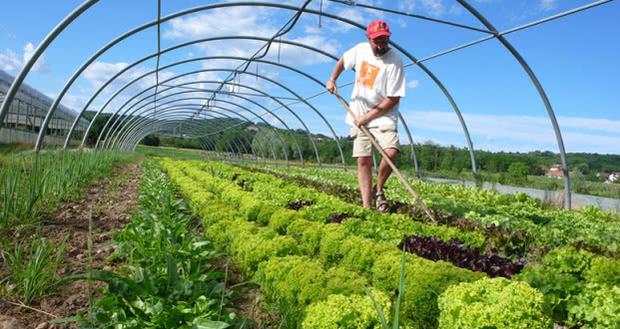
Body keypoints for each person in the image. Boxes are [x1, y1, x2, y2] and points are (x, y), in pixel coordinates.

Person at [326, 20, 406, 212]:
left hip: (383, 115)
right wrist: (332, 79)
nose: (381, 45)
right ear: (368, 38)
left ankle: (378, 190)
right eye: (377, 40)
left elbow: (392, 99)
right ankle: (366, 206)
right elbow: (343, 61)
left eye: (384, 40)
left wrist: (368, 117)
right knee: (363, 159)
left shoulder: (395, 60)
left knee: (391, 152)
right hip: (358, 112)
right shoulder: (360, 50)